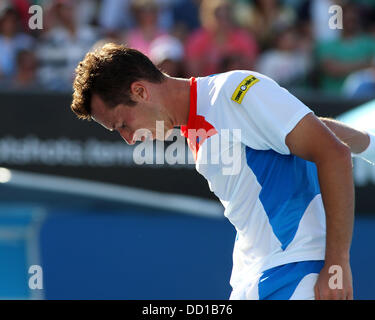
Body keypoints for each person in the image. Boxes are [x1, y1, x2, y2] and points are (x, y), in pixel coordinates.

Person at [70, 43, 375, 300]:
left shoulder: (232, 92)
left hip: (295, 274)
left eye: (122, 124)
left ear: (140, 91)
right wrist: (369, 145)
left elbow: (333, 154)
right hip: (252, 281)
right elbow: (295, 126)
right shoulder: (194, 126)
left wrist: (337, 263)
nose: (127, 138)